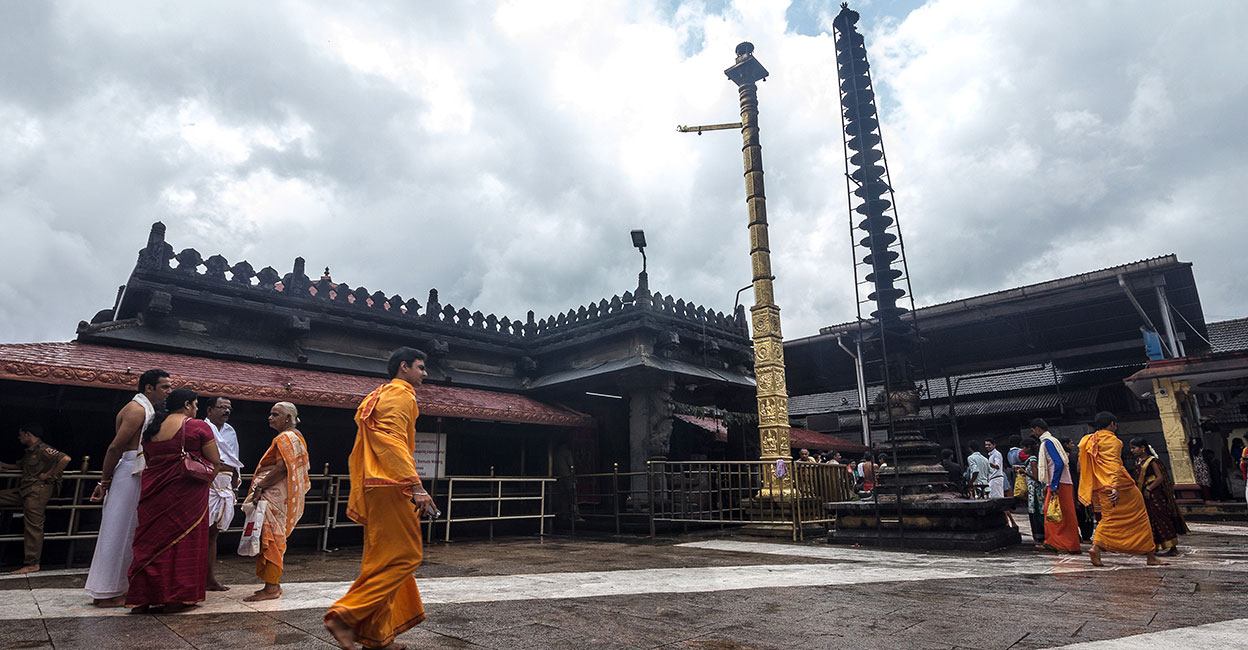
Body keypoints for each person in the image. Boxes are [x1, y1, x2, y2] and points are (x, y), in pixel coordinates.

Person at [326, 347, 434, 649]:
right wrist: (415, 485)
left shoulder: (379, 394)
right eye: (421, 367)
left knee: (382, 560)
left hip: (376, 483)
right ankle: (346, 614)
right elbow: (391, 440)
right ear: (404, 367)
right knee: (406, 555)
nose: (425, 374)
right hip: (389, 483)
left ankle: (376, 637)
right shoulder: (402, 395)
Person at [125, 388, 222, 611]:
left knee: (150, 542)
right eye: (196, 405)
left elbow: (149, 460)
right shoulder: (197, 427)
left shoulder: (152, 428)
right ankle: (177, 596)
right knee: (184, 542)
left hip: (154, 492)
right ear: (187, 404)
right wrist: (205, 483)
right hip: (188, 494)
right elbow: (215, 461)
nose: (197, 409)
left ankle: (142, 597)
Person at [85, 368, 172, 607]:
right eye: (164, 387)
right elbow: (115, 447)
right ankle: (106, 592)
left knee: (132, 530)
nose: (168, 391)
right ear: (148, 388)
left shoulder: (148, 409)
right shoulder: (136, 409)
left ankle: (118, 587)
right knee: (118, 529)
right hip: (129, 472)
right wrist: (104, 481)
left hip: (138, 472)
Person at [242, 401, 310, 602]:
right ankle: (272, 585)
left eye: (275, 415)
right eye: (270, 414)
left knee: (271, 540)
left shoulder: (286, 438)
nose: (270, 418)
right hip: (284, 496)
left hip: (275, 495)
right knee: (273, 539)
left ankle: (271, 588)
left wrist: (260, 487)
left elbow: (282, 468)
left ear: (288, 418)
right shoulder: (297, 437)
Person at [1078, 411, 1165, 566]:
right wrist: (1113, 487)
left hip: (1101, 486)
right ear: (1112, 424)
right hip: (1120, 486)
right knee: (1141, 516)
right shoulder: (1113, 441)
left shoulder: (1089, 440)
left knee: (1108, 518)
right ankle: (1150, 556)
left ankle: (1096, 548)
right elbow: (1114, 465)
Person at [0, 424, 71, 574]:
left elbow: (65, 459)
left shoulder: (43, 449)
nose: (19, 437)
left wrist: (49, 474)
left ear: (28, 434)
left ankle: (32, 563)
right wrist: (4, 466)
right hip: (26, 490)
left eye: (21, 434)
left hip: (38, 491)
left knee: (33, 525)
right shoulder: (30, 452)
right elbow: (21, 467)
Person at [203, 396, 244, 591]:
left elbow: (234, 459)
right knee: (198, 531)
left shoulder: (230, 431)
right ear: (210, 410)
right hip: (206, 482)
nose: (226, 411)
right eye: (221, 407)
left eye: (229, 408)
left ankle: (210, 579)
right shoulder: (201, 427)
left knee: (214, 533)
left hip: (225, 483)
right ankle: (193, 577)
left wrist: (235, 482)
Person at [1129, 438, 1189, 556]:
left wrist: (1149, 488)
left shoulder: (1152, 461)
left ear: (1142, 448)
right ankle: (1154, 546)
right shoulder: (1138, 461)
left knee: (1161, 518)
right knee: (1149, 520)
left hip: (1155, 494)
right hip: (1143, 495)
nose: (1132, 450)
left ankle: (1173, 547)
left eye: (1134, 448)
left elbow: (1160, 477)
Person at [1034, 421, 1079, 553]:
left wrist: (1053, 485)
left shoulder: (1048, 442)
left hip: (1059, 483)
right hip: (1059, 482)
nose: (1033, 433)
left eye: (1033, 430)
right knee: (1057, 513)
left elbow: (1058, 463)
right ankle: (1057, 542)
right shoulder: (1051, 441)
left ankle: (1063, 544)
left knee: (1058, 514)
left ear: (1038, 429)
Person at [1062, 436, 1095, 542]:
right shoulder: (1076, 456)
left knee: (1071, 513)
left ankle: (1075, 535)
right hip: (1079, 485)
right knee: (1084, 512)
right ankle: (1086, 536)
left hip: (1067, 487)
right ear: (1066, 445)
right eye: (1071, 443)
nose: (1073, 445)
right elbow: (1079, 470)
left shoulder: (1061, 457)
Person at [1018, 437, 1045, 546]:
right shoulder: (1033, 458)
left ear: (1028, 447)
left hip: (1034, 490)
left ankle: (1040, 536)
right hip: (1033, 489)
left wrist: (1024, 472)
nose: (1022, 449)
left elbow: (1036, 476)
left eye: (1024, 447)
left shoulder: (1033, 459)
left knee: (1036, 513)